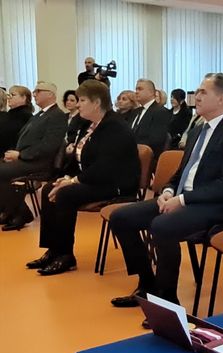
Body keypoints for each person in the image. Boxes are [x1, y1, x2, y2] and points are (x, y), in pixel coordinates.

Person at [109, 73, 223, 323]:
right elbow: (180, 174)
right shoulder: (197, 131)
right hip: (184, 198)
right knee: (121, 217)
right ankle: (147, 284)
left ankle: (167, 301)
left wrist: (183, 200)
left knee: (162, 226)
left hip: (217, 206)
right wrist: (167, 191)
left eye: (203, 92)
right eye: (198, 91)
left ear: (222, 98)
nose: (197, 96)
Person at [26, 80, 141, 276]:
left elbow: (104, 167)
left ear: (96, 103)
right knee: (48, 189)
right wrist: (67, 176)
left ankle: (66, 255)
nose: (77, 104)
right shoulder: (90, 125)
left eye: (82, 100)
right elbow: (80, 159)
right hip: (95, 179)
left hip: (116, 185)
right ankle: (54, 249)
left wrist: (73, 181)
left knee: (65, 194)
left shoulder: (115, 128)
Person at [0, 81, 66, 230]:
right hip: (27, 159)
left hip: (39, 162)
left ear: (50, 94)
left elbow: (49, 146)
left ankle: (19, 212)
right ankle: (16, 211)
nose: (34, 94)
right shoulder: (40, 115)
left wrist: (20, 155)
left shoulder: (57, 115)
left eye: (38, 91)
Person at [130, 79, 171, 157]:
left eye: (140, 89)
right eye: (136, 89)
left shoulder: (160, 112)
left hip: (146, 156)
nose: (136, 92)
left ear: (151, 92)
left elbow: (156, 140)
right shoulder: (135, 112)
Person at [0, 86, 33, 156]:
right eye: (9, 95)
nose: (9, 97)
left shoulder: (25, 116)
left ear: (24, 98)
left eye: (13, 95)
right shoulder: (10, 114)